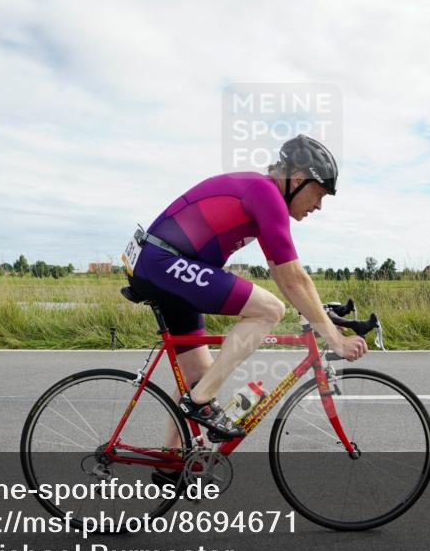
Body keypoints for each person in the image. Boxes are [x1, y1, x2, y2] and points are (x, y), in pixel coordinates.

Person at [124, 134, 368, 455]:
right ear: (297, 180)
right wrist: (334, 340)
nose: (319, 206)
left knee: (199, 374)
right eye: (319, 194)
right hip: (163, 262)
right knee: (269, 310)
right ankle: (201, 403)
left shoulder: (264, 198)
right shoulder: (265, 193)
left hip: (162, 265)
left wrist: (319, 314)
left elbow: (284, 272)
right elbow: (293, 278)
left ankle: (173, 461)